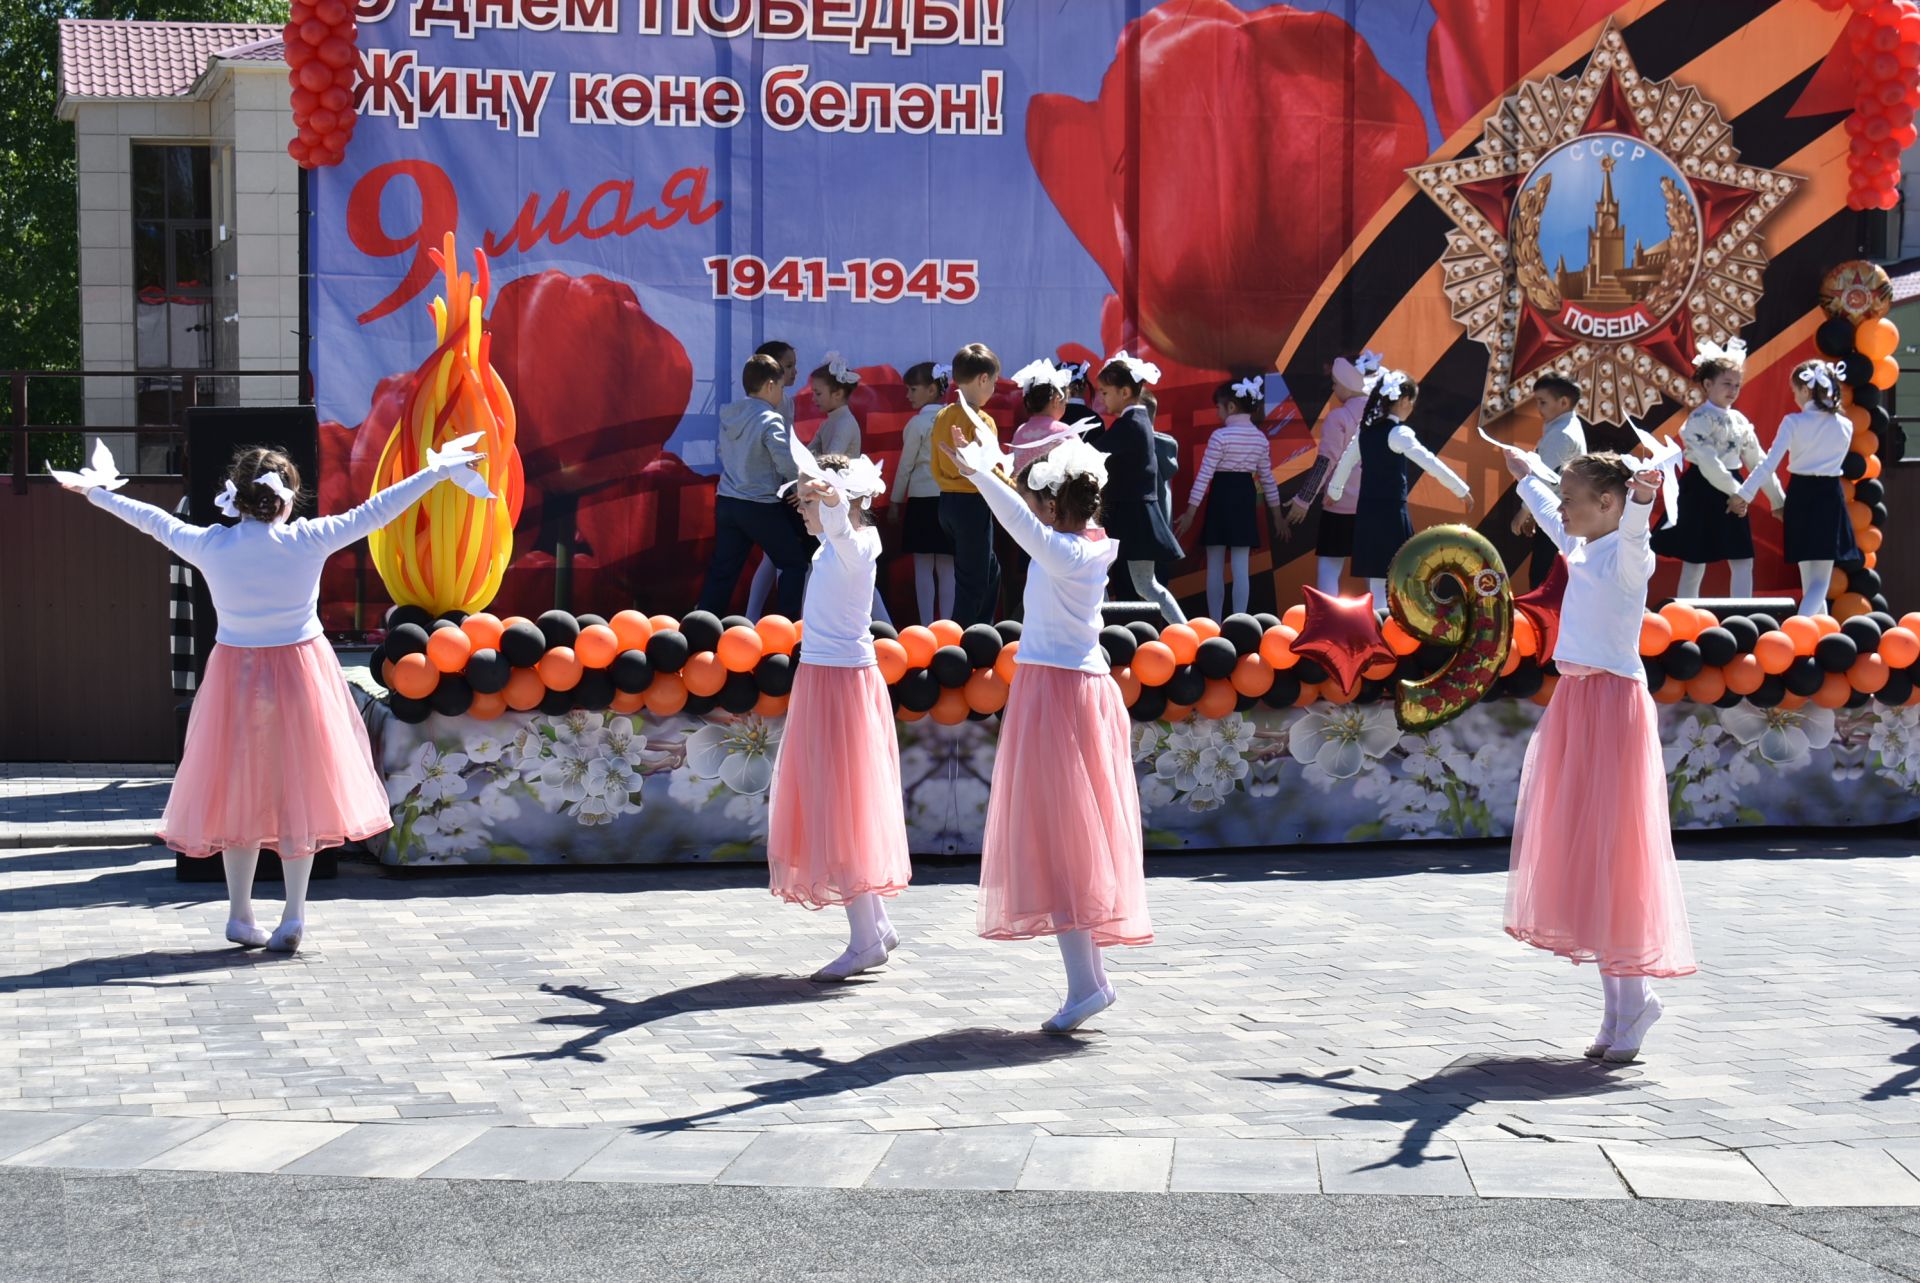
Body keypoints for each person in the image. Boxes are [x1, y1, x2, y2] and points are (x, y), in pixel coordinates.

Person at [59, 436, 490, 952]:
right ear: (287, 498)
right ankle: (292, 917)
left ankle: (240, 915)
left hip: (233, 682)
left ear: (235, 496)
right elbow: (380, 509)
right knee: (298, 794)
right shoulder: (309, 539)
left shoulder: (209, 544)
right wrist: (438, 471)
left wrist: (98, 494)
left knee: (238, 793)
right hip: (301, 677)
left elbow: (150, 520)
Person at [943, 419, 1151, 1031]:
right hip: (1058, 689)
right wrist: (998, 468)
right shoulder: (1081, 543)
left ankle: (1087, 984)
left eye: (1040, 497)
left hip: (1061, 696)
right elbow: (1028, 516)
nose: (1033, 504)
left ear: (1055, 503)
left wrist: (983, 473)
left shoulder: (1071, 551)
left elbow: (1022, 523)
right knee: (1061, 840)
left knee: (1062, 842)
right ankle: (1089, 983)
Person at [1502, 448, 1696, 1062]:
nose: (1563, 507)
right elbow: (1552, 515)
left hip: (1613, 706)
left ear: (1607, 504)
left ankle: (1633, 1003)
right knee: (1589, 854)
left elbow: (1636, 532)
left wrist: (1643, 497)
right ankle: (1621, 1009)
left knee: (1616, 851)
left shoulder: (1626, 556)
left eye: (1572, 496)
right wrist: (1526, 473)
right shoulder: (1584, 548)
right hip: (1579, 702)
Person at [766, 451, 912, 980]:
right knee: (840, 803)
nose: (802, 509)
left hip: (841, 685)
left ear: (843, 500)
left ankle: (863, 940)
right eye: (803, 500)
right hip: (827, 679)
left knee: (841, 806)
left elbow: (844, 532)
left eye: (810, 500)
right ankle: (875, 925)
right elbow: (836, 531)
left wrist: (830, 502)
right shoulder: (834, 545)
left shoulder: (857, 544)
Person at [1326, 370, 1472, 605]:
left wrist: (1335, 492)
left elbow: (1345, 462)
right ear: (1404, 401)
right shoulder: (1398, 433)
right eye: (1412, 402)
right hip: (1391, 513)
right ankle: (1390, 626)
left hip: (1368, 511)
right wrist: (1460, 489)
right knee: (1397, 572)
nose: (1412, 407)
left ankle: (1379, 623)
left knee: (1377, 573)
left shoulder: (1366, 431)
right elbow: (1430, 462)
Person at [1652, 338, 1782, 598]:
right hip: (1702, 489)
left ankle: (1742, 616)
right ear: (1708, 384)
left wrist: (1778, 500)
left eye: (1737, 385)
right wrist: (1738, 493)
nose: (1733, 389)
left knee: (1743, 557)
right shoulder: (1698, 419)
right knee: (1694, 561)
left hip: (1734, 490)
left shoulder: (1740, 420)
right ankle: (1685, 613)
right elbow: (1708, 460)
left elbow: (1758, 460)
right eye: (1726, 383)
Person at [1731, 360, 1860, 618]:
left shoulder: (1793, 422)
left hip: (1800, 495)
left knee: (1813, 580)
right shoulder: (1845, 425)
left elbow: (1768, 465)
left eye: (1794, 391)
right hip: (1828, 496)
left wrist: (1743, 494)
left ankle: (1800, 627)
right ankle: (1813, 632)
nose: (1793, 396)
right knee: (1818, 580)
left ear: (1804, 390)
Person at [697, 354, 810, 620]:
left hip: (727, 501)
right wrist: (800, 490)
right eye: (781, 388)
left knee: (722, 571)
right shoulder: (770, 419)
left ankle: (700, 628)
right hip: (759, 504)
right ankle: (787, 629)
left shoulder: (730, 415)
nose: (782, 394)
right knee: (794, 563)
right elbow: (785, 461)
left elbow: (724, 453)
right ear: (770, 386)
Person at [1177, 376, 1282, 619]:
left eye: (1218, 407)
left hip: (1221, 498)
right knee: (1240, 566)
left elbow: (1204, 476)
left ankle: (1215, 621)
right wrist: (1277, 517)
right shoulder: (1259, 438)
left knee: (1214, 565)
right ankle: (1240, 621)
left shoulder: (1220, 437)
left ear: (1231, 407)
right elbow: (1267, 480)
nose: (1217, 413)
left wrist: (1191, 513)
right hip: (1244, 499)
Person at [1093, 354, 1186, 622]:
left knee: (1099, 576)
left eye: (1105, 392)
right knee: (1145, 584)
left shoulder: (1130, 424)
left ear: (1124, 392)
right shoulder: (1138, 421)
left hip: (1128, 515)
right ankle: (1186, 631)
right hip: (1133, 513)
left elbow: (1094, 452)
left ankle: (1096, 634)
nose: (1103, 399)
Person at [930, 342, 1005, 626]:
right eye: (994, 382)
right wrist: (1016, 488)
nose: (993, 389)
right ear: (982, 379)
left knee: (989, 570)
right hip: (972, 502)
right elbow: (988, 468)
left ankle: (981, 628)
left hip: (947, 503)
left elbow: (935, 461)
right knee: (972, 581)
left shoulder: (942, 414)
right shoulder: (982, 420)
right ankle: (964, 641)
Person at [1286, 352, 1374, 596]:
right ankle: (1381, 626)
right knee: (1374, 572)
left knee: (1328, 567)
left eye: (1336, 382)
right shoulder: (1383, 418)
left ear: (1347, 382)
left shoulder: (1340, 416)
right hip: (1373, 506)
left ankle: (1328, 626)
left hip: (1339, 506)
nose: (1333, 387)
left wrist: (1303, 499)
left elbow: (1325, 461)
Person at [889, 361, 955, 625]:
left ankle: (927, 624)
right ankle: (949, 625)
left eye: (912, 389)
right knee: (948, 566)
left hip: (921, 501)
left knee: (924, 567)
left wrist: (895, 501)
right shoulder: (954, 420)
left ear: (931, 390)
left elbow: (905, 466)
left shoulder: (917, 424)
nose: (907, 395)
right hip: (950, 498)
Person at [1511, 375, 1588, 590]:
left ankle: (1543, 624)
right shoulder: (1564, 428)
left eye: (1542, 402)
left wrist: (1525, 511)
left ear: (1563, 402)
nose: (1538, 408)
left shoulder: (1562, 435)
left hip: (1559, 516)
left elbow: (1544, 479)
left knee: (1543, 581)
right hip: (1560, 514)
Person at [744, 340, 800, 619]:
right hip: (772, 488)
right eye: (788, 367)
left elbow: (787, 445)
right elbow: (777, 447)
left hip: (784, 483)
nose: (794, 372)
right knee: (783, 557)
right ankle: (776, 618)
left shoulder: (785, 402)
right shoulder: (759, 408)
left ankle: (758, 616)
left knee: (774, 557)